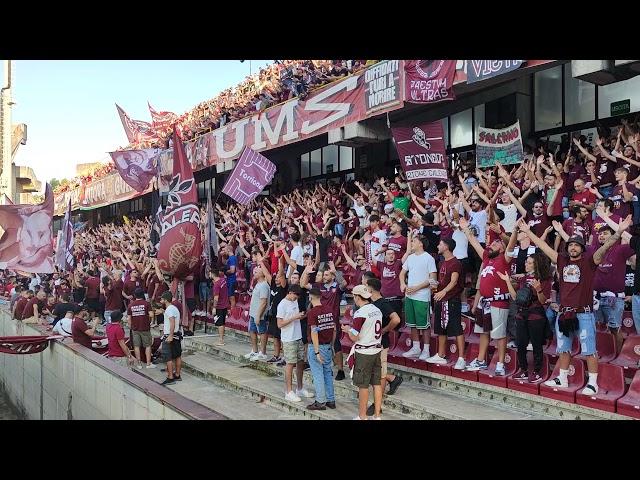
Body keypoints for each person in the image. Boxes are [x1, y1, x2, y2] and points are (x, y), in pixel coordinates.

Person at [519, 215, 632, 394]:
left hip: (584, 313)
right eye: (570, 245)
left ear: (582, 248)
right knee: (563, 348)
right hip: (564, 313)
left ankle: (592, 383)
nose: (572, 247)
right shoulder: (562, 261)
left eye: (576, 245)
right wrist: (527, 233)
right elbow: (544, 247)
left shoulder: (589, 261)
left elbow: (605, 247)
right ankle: (562, 378)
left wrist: (618, 232)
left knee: (589, 350)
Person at [459, 217, 512, 375]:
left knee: (499, 334)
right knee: (483, 331)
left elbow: (510, 244)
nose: (491, 244)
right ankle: (481, 360)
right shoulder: (487, 258)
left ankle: (501, 364)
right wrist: (466, 228)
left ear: (502, 248)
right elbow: (474, 242)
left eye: (496, 243)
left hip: (499, 302)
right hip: (485, 302)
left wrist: (501, 234)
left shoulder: (505, 259)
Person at [498, 252, 552, 382]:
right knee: (520, 344)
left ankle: (537, 371)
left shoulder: (544, 279)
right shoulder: (523, 279)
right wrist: (507, 282)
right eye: (526, 262)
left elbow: (543, 300)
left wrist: (538, 289)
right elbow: (516, 297)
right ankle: (524, 370)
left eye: (529, 263)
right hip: (521, 315)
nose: (526, 264)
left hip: (536, 315)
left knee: (536, 345)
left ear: (536, 264)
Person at [341, 285, 383, 420]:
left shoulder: (360, 313)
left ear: (357, 297)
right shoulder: (377, 310)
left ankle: (362, 416)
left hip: (364, 351)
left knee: (363, 386)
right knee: (376, 383)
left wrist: (347, 330)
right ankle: (377, 416)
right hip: (377, 349)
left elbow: (354, 336)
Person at [426, 238, 467, 371]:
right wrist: (435, 286)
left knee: (456, 329)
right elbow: (443, 281)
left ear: (447, 247)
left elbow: (454, 281)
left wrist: (443, 291)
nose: (438, 246)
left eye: (440, 244)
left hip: (452, 300)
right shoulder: (442, 263)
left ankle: (461, 358)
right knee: (440, 329)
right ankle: (441, 354)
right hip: (440, 299)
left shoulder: (455, 263)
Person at [365, 278, 403, 416]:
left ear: (370, 288)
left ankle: (377, 404)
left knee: (379, 375)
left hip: (381, 343)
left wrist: (385, 330)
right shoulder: (371, 303)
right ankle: (393, 379)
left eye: (365, 286)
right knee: (372, 372)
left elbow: (396, 319)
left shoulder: (383, 303)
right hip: (371, 343)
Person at [400, 231, 437, 361]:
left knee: (424, 325)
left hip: (422, 296)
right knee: (412, 324)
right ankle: (416, 348)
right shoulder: (410, 258)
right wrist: (402, 284)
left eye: (413, 241)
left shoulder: (429, 258)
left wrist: (416, 287)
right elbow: (402, 273)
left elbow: (432, 279)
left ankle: (426, 349)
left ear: (420, 243)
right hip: (409, 295)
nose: (411, 243)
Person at [277, 285, 313, 402]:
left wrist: (302, 316)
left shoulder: (295, 302)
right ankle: (288, 391)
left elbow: (296, 318)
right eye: (295, 296)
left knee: (300, 362)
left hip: (298, 336)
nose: (296, 298)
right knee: (290, 364)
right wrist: (294, 317)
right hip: (288, 338)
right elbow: (280, 324)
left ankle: (300, 388)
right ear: (290, 293)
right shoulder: (282, 304)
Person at [305, 287, 337, 411]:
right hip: (328, 345)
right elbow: (334, 329)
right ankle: (331, 400)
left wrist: (317, 351)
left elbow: (314, 332)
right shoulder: (329, 309)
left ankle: (320, 401)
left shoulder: (312, 312)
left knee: (318, 374)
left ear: (311, 297)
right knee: (328, 373)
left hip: (317, 347)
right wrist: (332, 345)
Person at [245, 262, 270, 361]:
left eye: (257, 271)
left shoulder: (264, 285)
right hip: (253, 313)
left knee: (262, 332)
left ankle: (262, 352)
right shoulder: (257, 284)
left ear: (263, 273)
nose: (254, 272)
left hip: (259, 314)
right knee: (252, 331)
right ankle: (254, 351)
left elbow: (263, 302)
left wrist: (258, 315)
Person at [127, 288, 155, 369]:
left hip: (135, 329)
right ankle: (148, 364)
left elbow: (129, 318)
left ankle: (139, 364)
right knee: (148, 345)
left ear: (135, 295)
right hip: (145, 328)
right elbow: (151, 315)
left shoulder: (130, 305)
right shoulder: (146, 304)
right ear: (142, 294)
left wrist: (131, 327)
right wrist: (148, 319)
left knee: (136, 346)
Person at [159, 291, 182, 385]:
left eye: (161, 299)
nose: (160, 300)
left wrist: (170, 335)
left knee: (168, 357)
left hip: (170, 335)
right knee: (177, 356)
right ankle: (177, 374)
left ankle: (170, 377)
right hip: (176, 334)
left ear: (165, 300)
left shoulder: (169, 309)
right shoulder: (173, 308)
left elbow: (172, 321)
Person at [211, 268, 230, 346]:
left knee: (220, 323)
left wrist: (214, 307)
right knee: (222, 323)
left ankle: (221, 340)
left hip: (220, 306)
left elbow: (216, 297)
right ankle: (221, 339)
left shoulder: (217, 284)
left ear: (212, 274)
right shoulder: (223, 280)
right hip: (225, 304)